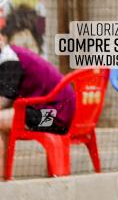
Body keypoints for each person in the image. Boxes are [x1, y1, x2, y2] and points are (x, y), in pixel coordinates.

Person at [0, 33, 73, 169]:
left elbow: (3, 101)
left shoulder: (8, 58)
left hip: (54, 118)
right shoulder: (12, 55)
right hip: (56, 114)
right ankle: (4, 178)